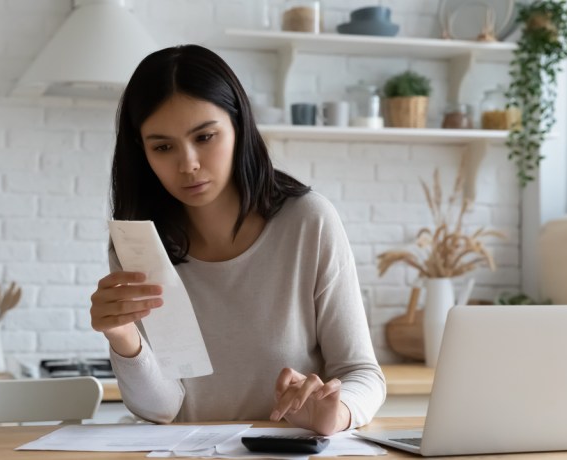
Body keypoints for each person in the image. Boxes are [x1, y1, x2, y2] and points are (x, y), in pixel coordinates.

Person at [90, 44, 385, 435]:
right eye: (163, 147)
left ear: (239, 126)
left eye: (206, 137)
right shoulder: (140, 247)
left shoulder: (308, 223)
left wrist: (337, 412)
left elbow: (361, 372)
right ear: (142, 153)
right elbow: (163, 410)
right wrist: (122, 337)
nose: (188, 163)